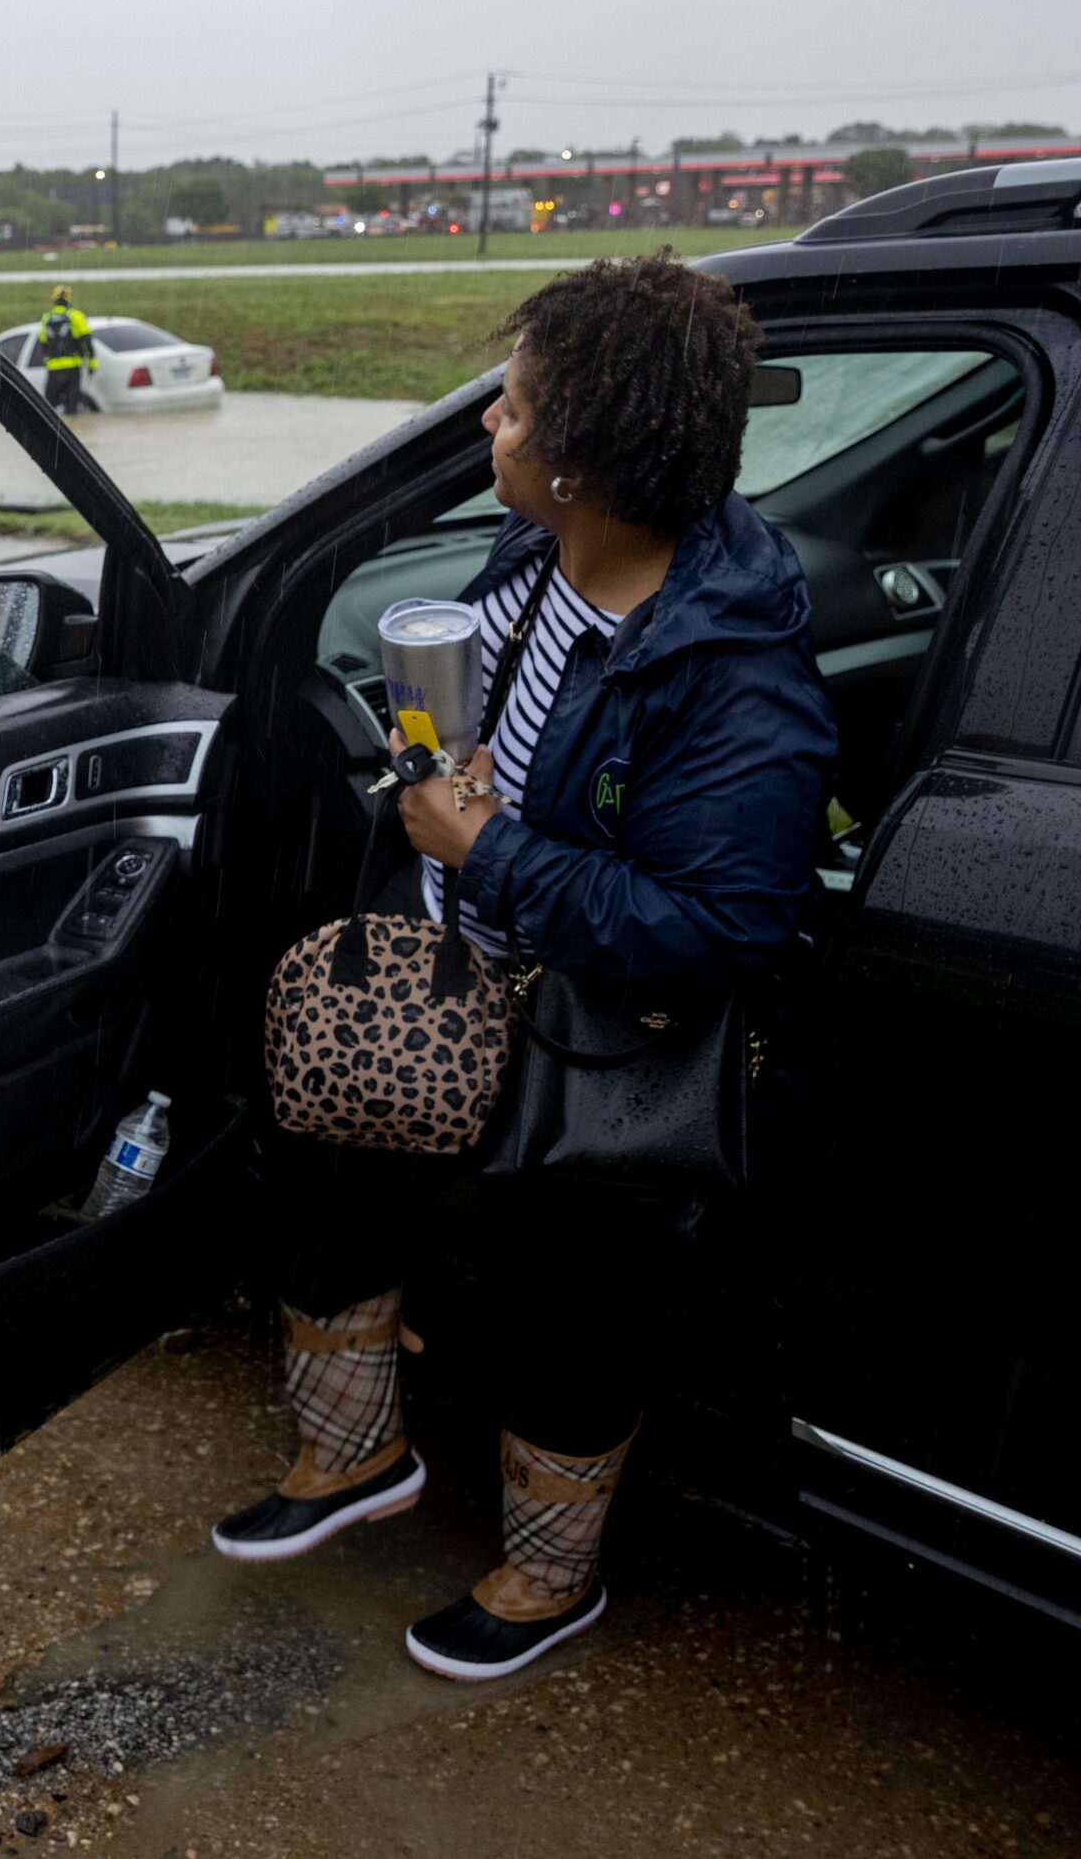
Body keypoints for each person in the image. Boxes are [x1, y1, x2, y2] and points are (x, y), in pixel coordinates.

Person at [213, 252, 837, 1681]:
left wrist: (486, 846)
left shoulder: (735, 678)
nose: (490, 423)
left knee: (573, 1300)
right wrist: (458, 782)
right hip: (466, 964)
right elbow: (536, 750)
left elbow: (720, 923)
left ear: (585, 463)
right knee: (317, 1137)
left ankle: (552, 1577)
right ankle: (354, 1447)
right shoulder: (536, 555)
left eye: (513, 410)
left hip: (600, 1036)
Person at [38, 286, 94, 415]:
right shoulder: (76, 316)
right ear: (69, 300)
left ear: (54, 300)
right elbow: (86, 341)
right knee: (72, 407)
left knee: (47, 410)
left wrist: (47, 361)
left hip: (53, 371)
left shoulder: (46, 318)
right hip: (72, 370)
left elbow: (42, 343)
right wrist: (91, 364)